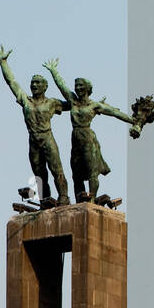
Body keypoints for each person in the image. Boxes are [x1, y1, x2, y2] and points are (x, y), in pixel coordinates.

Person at [43, 58, 141, 203]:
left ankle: (92, 198)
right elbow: (61, 85)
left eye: (81, 86)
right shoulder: (72, 101)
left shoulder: (94, 105)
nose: (78, 88)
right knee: (76, 172)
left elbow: (114, 112)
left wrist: (133, 121)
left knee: (91, 171)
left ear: (88, 89)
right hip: (75, 137)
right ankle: (79, 198)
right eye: (76, 86)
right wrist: (53, 71)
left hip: (88, 137)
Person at [0, 45, 70, 204]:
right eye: (32, 82)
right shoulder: (25, 101)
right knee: (39, 174)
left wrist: (55, 74)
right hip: (33, 140)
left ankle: (63, 197)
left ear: (45, 86)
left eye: (38, 83)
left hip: (47, 138)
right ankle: (45, 200)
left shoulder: (52, 103)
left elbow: (72, 102)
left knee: (57, 170)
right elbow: (11, 82)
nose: (34, 85)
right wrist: (3, 63)